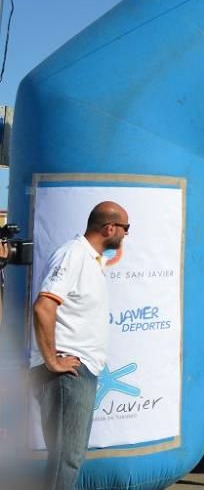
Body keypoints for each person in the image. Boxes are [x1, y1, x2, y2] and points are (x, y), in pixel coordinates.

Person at [29, 201, 129, 490]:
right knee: (66, 458)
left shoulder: (90, 259)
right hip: (66, 372)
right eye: (126, 228)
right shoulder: (73, 255)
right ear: (109, 228)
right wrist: (52, 362)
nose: (125, 235)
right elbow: (43, 306)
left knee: (68, 457)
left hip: (78, 369)